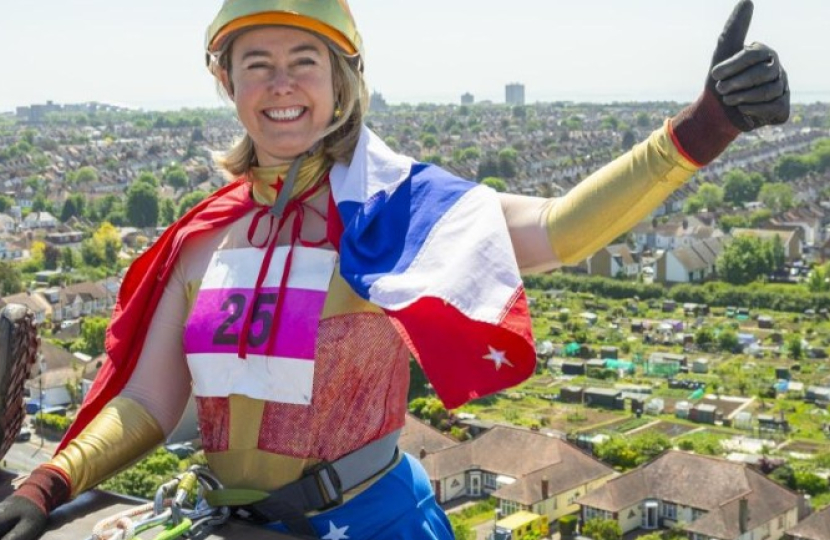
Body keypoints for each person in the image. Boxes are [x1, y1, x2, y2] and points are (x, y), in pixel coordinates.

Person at [0, 0, 789, 539]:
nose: (281, 83)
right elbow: (148, 400)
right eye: (257, 63)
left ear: (342, 82)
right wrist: (51, 483)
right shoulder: (205, 239)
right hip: (231, 523)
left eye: (304, 60)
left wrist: (702, 128)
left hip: (375, 521)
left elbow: (561, 231)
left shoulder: (400, 211)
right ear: (228, 84)